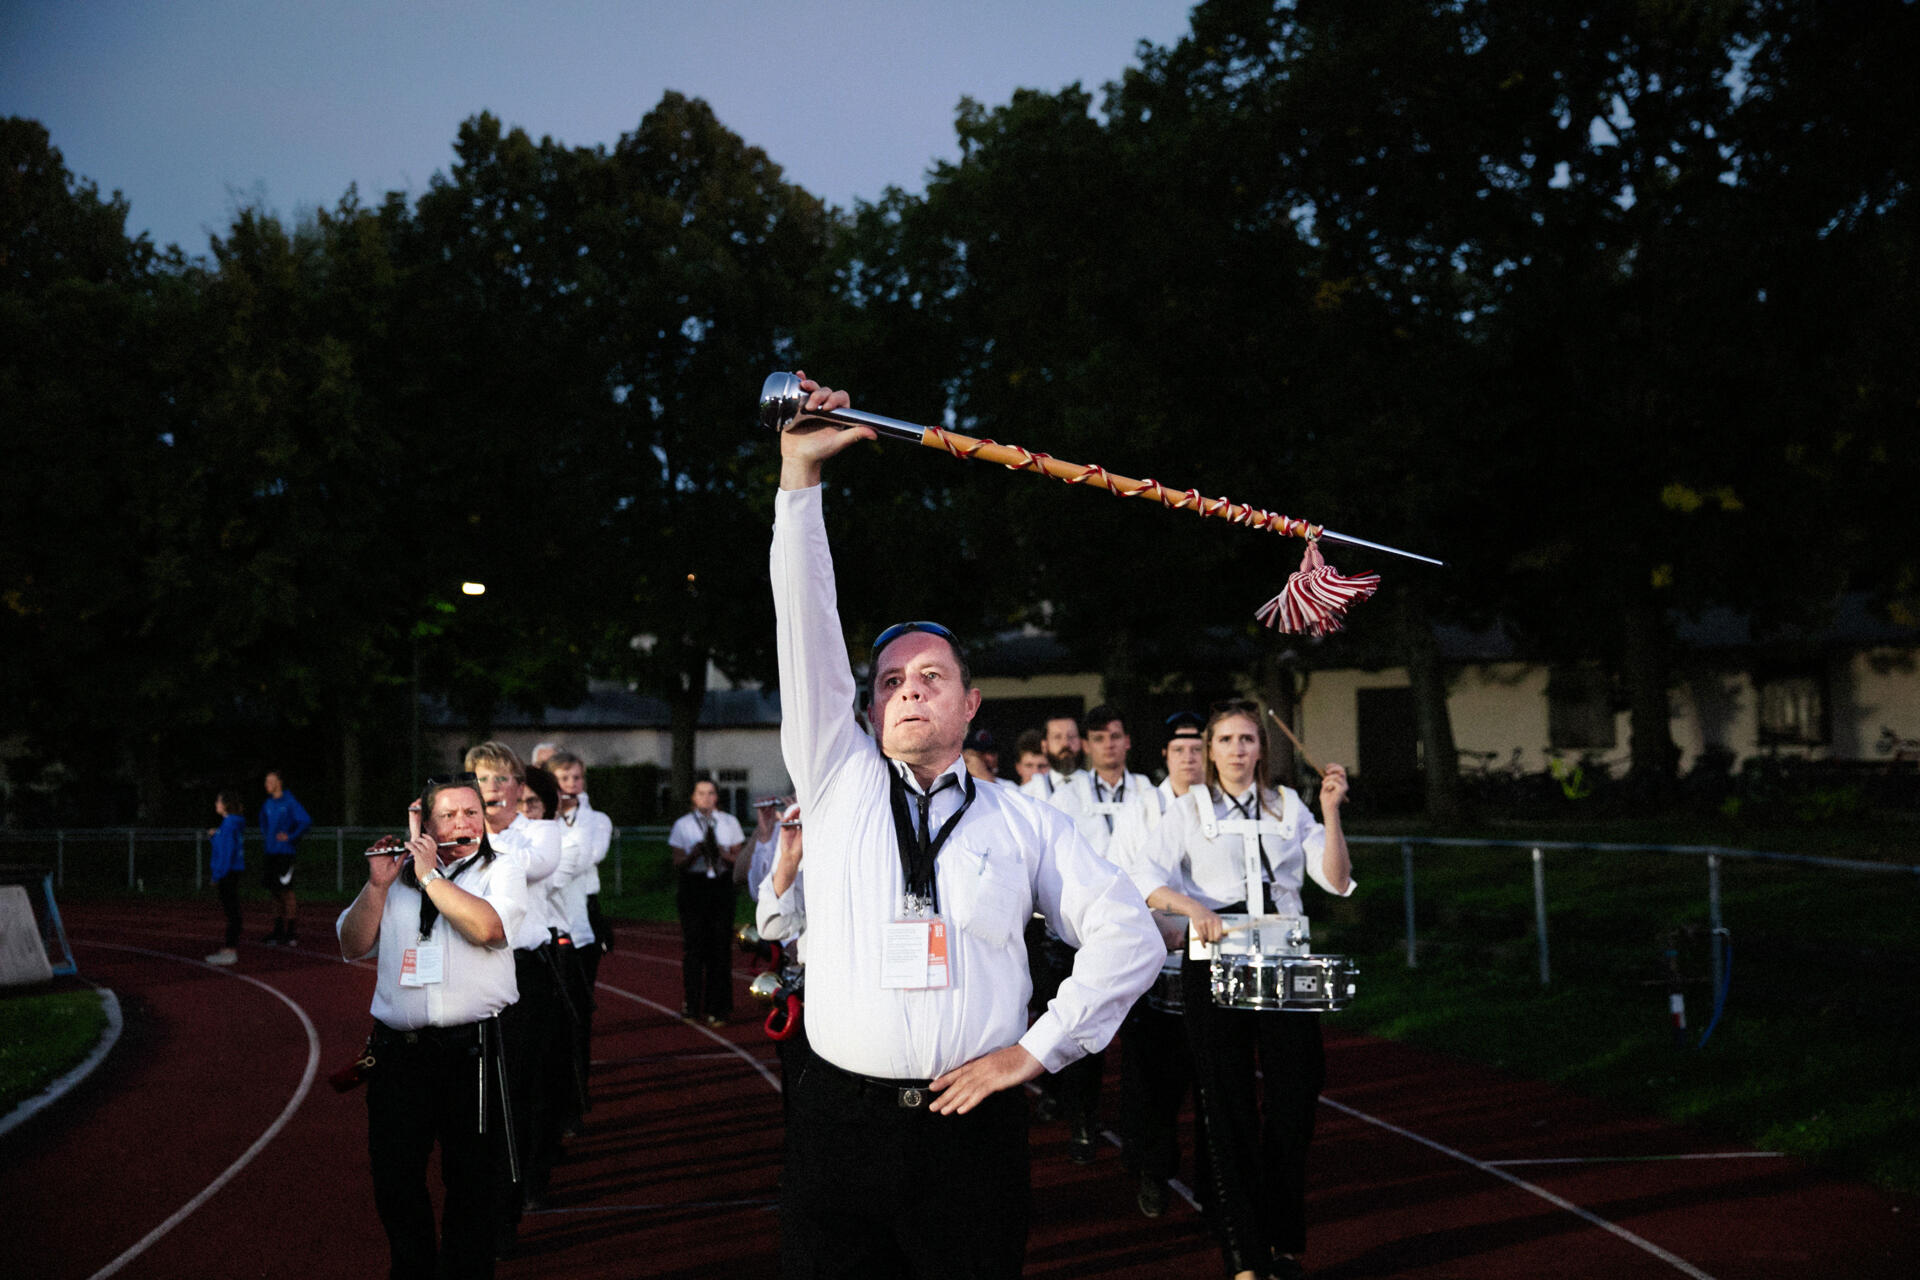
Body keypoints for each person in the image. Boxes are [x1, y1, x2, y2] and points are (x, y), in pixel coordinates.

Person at [769, 374, 1162, 1279]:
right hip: (838, 1126)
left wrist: (1036, 1050)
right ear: (866, 710)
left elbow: (1130, 937)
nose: (909, 690)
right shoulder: (836, 780)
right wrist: (799, 481)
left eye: (931, 677)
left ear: (971, 703)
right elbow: (805, 626)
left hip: (973, 1132)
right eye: (890, 682)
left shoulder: (1026, 821)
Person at [1130, 699, 1353, 1280]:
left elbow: (1335, 879)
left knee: (1295, 1098)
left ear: (1262, 748)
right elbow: (1141, 876)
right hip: (1216, 961)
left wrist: (1330, 813)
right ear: (1211, 749)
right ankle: (1243, 1255)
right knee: (1225, 1105)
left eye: (1247, 739)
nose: (1237, 750)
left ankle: (1284, 1240)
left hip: (1284, 959)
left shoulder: (1290, 805)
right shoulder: (1188, 808)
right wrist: (1191, 908)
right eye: (1226, 740)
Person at [337, 775, 528, 1280]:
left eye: (472, 813)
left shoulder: (501, 868)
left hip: (474, 1050)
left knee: (473, 1182)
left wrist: (429, 878)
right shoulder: (396, 875)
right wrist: (378, 886)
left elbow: (488, 928)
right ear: (424, 823)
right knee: (394, 1179)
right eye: (449, 815)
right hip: (399, 1053)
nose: (464, 822)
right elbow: (352, 944)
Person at [1035, 703, 1156, 1162]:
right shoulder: (1066, 797)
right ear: (1087, 746)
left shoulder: (1149, 794)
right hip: (1082, 937)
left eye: (1115, 736)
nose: (1108, 745)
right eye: (1099, 738)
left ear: (1128, 742)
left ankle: (1139, 1135)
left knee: (1143, 1046)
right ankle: (1083, 1124)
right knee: (1084, 1034)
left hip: (1141, 929)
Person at [1107, 711, 1210, 1218]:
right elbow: (1122, 879)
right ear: (1165, 756)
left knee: (1212, 1082)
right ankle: (1152, 1168)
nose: (1190, 758)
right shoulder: (1141, 810)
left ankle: (1215, 1187)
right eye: (1180, 750)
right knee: (1153, 1079)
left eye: (1198, 749)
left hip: (1212, 961)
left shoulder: (1222, 808)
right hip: (1156, 961)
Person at [464, 742, 565, 1256]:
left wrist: (478, 833)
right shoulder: (460, 834)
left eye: (502, 779)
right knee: (472, 1096)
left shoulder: (538, 832)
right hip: (470, 972)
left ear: (519, 786)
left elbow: (531, 866)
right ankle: (482, 1203)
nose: (492, 789)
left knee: (518, 1090)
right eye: (482, 779)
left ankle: (517, 1197)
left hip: (525, 972)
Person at [668, 778, 746, 1025]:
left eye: (710, 793)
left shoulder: (729, 822)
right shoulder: (683, 825)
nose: (706, 798)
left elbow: (739, 858)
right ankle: (692, 1003)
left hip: (720, 885)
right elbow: (677, 861)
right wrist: (695, 853)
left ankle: (719, 1006)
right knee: (694, 947)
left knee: (720, 948)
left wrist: (720, 852)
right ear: (693, 797)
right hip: (694, 886)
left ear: (716, 797)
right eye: (701, 793)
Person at [259, 769, 311, 946]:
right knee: (274, 891)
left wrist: (290, 836)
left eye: (270, 781)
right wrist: (269, 837)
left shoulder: (290, 802)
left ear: (279, 783)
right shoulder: (267, 803)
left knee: (286, 891)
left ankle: (291, 932)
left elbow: (305, 821)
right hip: (271, 853)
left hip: (285, 853)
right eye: (266, 781)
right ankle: (278, 930)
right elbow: (263, 822)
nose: (267, 784)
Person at [204, 790, 246, 965]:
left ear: (226, 804)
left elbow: (226, 854)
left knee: (232, 912)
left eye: (218, 801)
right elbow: (224, 846)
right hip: (231, 871)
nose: (216, 804)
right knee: (232, 911)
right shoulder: (231, 823)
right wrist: (215, 836)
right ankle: (230, 948)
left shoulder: (229, 824)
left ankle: (230, 950)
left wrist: (217, 875)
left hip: (228, 872)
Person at [1019, 715, 1084, 801]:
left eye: (1071, 736)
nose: (1066, 743)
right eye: (1057, 737)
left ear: (1082, 742)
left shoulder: (1098, 785)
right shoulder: (1026, 794)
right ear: (1044, 746)